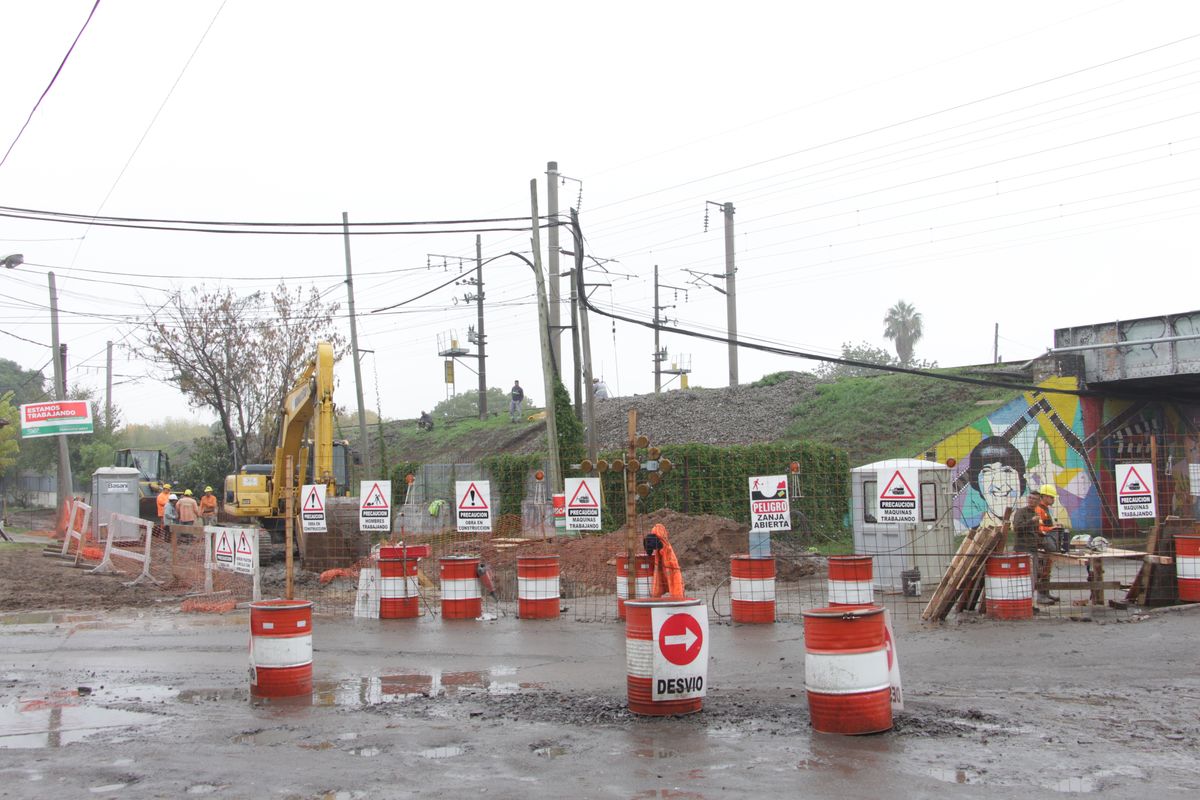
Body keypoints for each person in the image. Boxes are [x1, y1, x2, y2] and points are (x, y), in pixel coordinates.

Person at [965, 436, 1027, 528]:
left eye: (1007, 470)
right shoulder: (976, 532)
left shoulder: (1030, 523)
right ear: (976, 482)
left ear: (1021, 478)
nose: (999, 484)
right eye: (987, 471)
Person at [1012, 489, 1056, 604]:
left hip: (1032, 548)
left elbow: (1034, 532)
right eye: (1030, 498)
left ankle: (1030, 603)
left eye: (1035, 499)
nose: (1032, 500)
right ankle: (1024, 602)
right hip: (1022, 549)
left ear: (1038, 501)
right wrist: (1031, 521)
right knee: (1024, 578)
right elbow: (1017, 528)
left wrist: (1042, 541)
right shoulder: (1021, 512)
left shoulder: (1036, 514)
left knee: (1033, 577)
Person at [644, 523, 685, 598]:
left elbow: (653, 546)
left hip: (670, 567)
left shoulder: (663, 545)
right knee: (674, 583)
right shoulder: (664, 545)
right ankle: (677, 597)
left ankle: (677, 598)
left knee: (675, 585)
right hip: (668, 567)